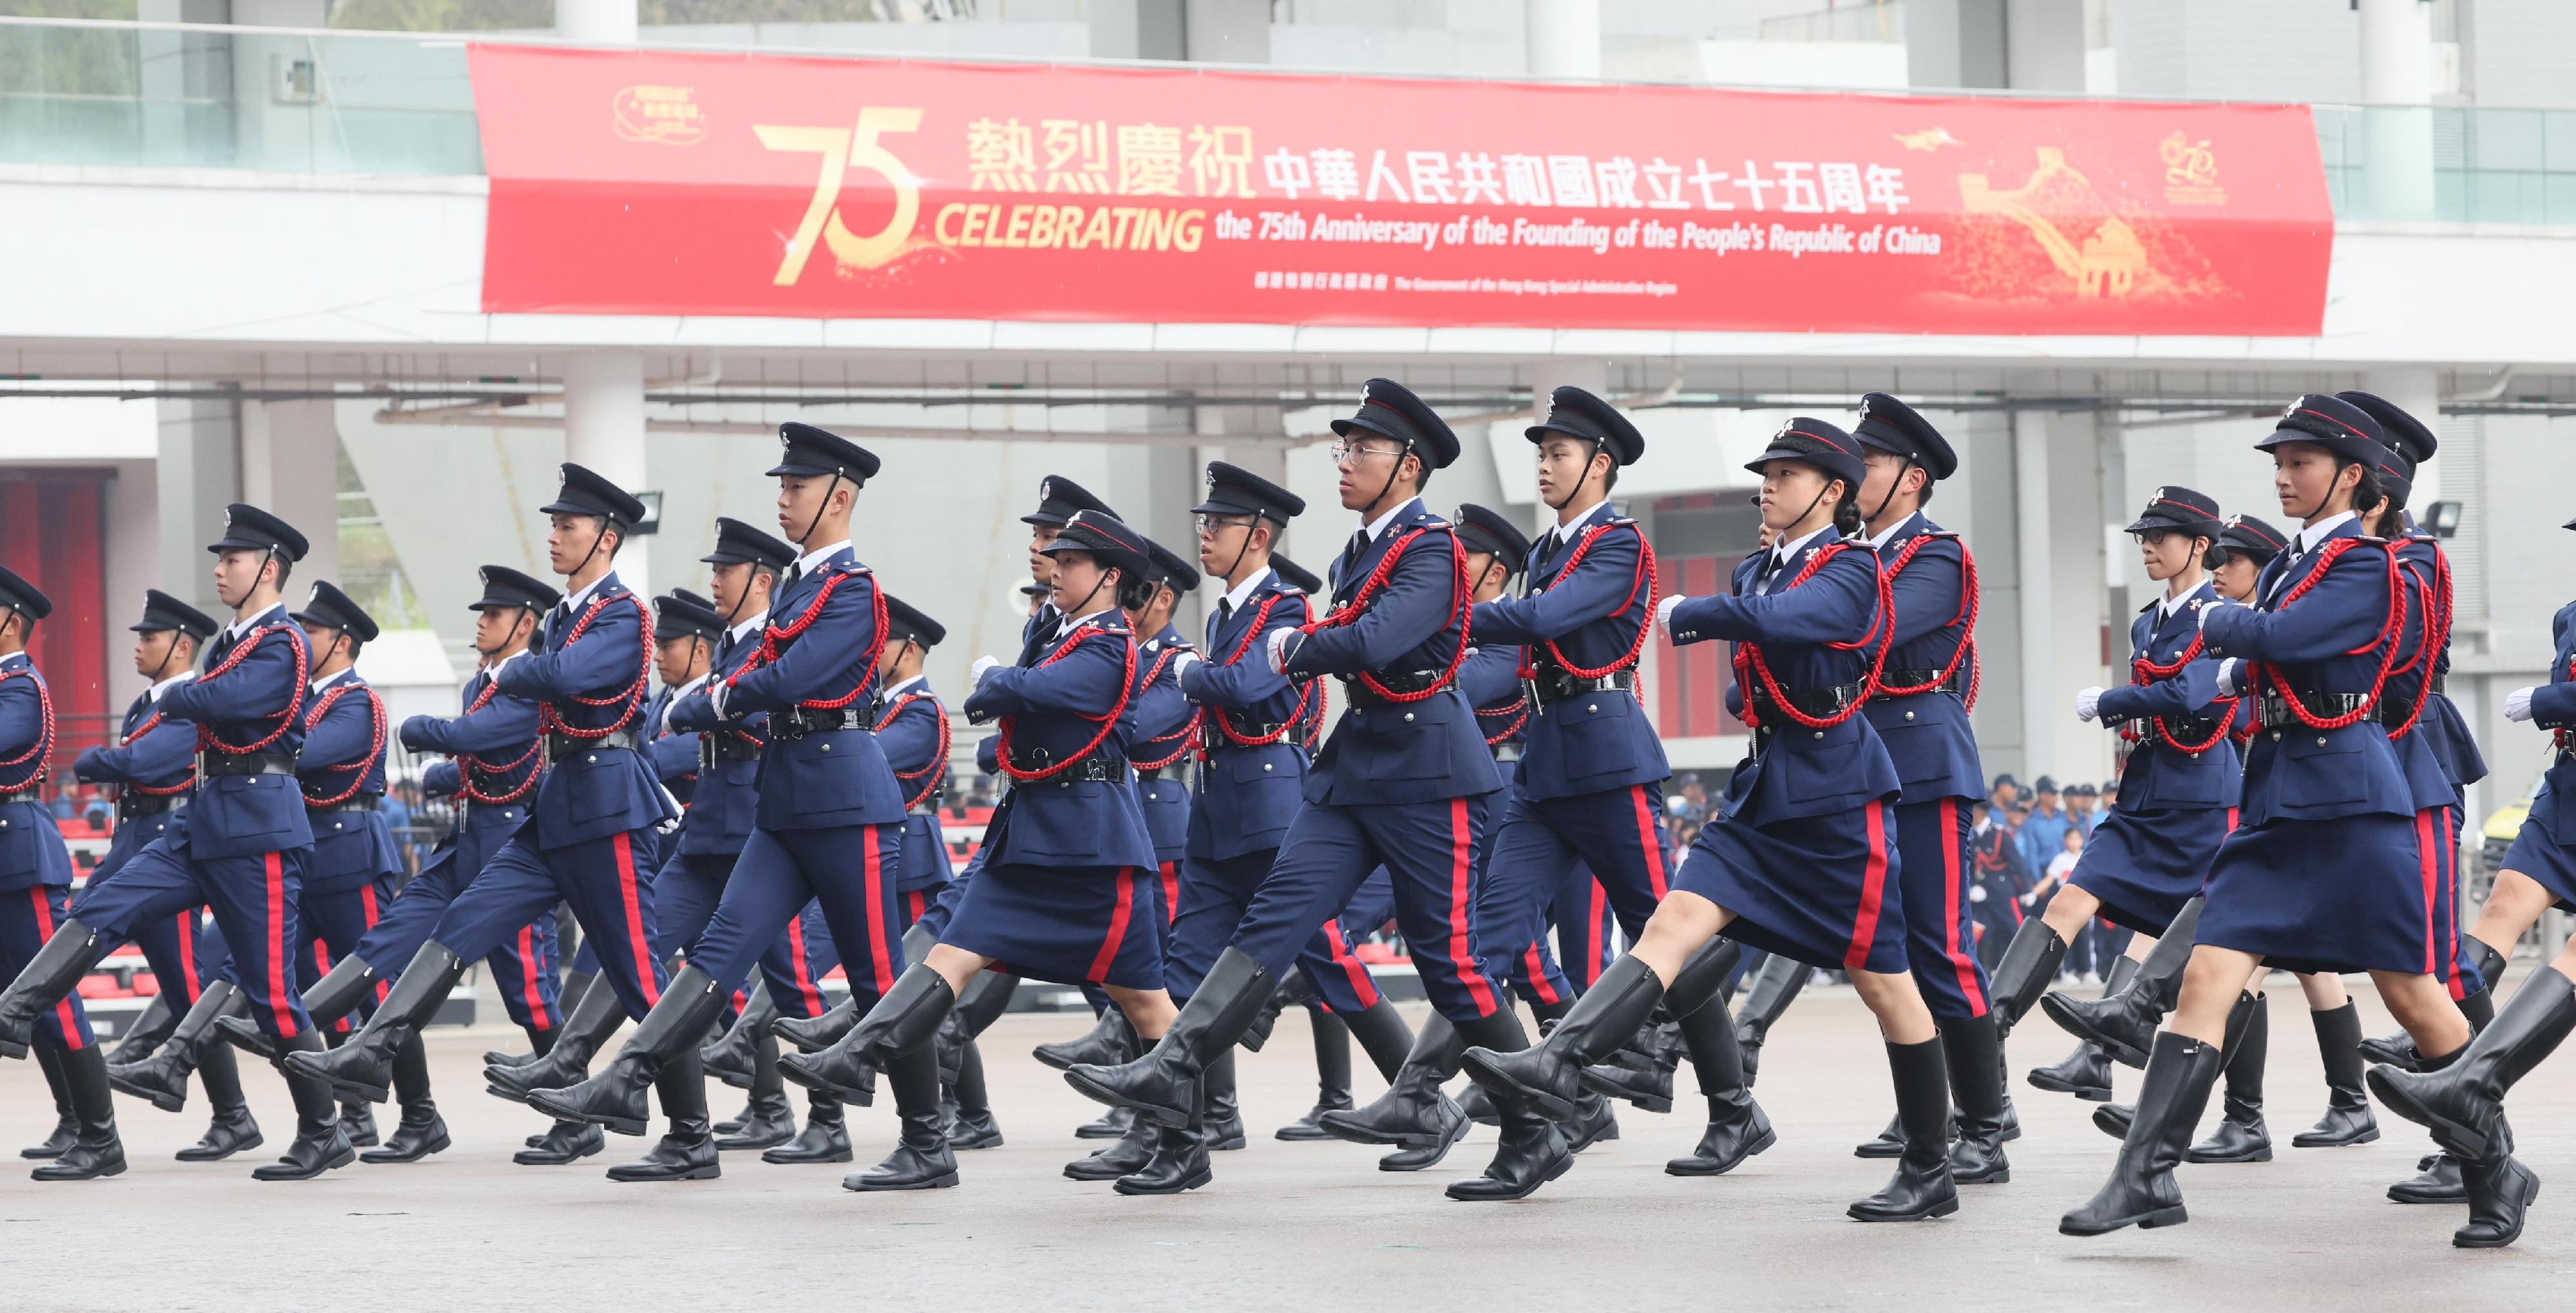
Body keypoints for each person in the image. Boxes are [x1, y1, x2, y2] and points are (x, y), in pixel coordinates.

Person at [1461, 417, 1963, 1220]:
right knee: (1674, 921)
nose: (1769, 484)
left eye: (1789, 474)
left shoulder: (1852, 565)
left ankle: (1931, 1166)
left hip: (1837, 797)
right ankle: (1562, 1061)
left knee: (1885, 983)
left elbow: (1798, 622)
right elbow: (1753, 678)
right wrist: (1738, 641)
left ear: (1832, 492)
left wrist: (1707, 612)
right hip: (1764, 787)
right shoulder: (1759, 567)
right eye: (1767, 472)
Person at [1064, 380, 1539, 1201]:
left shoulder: (1429, 547)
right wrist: (1312, 639)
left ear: (1409, 464)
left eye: (1362, 449)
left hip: (1427, 767)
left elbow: (1377, 637)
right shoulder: (1358, 549)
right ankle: (1173, 1066)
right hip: (1359, 763)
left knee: (1449, 959)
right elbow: (1349, 634)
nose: (1346, 462)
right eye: (1343, 448)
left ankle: (1536, 1125)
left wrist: (1289, 645)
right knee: (1275, 914)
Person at [2060, 395, 2487, 1242]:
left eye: (2301, 463)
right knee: (2205, 976)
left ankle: (2494, 1164)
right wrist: (2227, 670)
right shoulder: (2297, 562)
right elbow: (2270, 654)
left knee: (2414, 994)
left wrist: (2221, 625)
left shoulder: (2366, 562)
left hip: (2351, 800)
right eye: (2280, 463)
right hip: (2281, 796)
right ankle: (2143, 1174)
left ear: (2351, 474)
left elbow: (2293, 636)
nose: (2285, 476)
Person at [507, 432, 917, 1186]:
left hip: (846, 798)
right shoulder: (797, 586)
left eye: (798, 486)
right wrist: (714, 695)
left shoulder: (855, 589)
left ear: (842, 496)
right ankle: (627, 1076)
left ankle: (927, 1136)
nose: (784, 497)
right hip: (787, 801)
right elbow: (769, 664)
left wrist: (717, 696)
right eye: (785, 485)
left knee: (877, 977)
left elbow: (795, 673)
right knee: (714, 951)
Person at [285, 466, 681, 1181]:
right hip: (557, 803)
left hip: (609, 805)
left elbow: (559, 679)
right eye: (554, 525)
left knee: (638, 975)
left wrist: (520, 673)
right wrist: (530, 671)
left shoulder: (623, 613)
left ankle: (691, 1130)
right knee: (463, 919)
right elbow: (544, 680)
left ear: (608, 537)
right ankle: (374, 1045)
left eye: (569, 526)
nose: (555, 536)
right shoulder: (563, 620)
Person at [790, 509, 1177, 1193]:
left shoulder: (1110, 642)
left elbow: (1031, 692)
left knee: (1144, 1003)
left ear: (1111, 577)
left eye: (1072, 562)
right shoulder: (1059, 631)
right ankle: (890, 1097)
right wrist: (1006, 684)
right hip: (1033, 838)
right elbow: (1014, 709)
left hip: (1092, 852)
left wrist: (1000, 677)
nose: (1055, 571)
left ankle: (1183, 1141)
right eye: (1055, 560)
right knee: (949, 953)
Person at [0, 507, 355, 1180]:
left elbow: (226, 699)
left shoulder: (283, 642)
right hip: (204, 819)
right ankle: (18, 1008)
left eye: (233, 560)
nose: (219, 570)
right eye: (220, 559)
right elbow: (206, 706)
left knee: (273, 993)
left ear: (270, 568)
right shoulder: (231, 642)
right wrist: (194, 698)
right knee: (104, 903)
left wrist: (188, 694)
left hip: (260, 831)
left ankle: (323, 1128)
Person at [236, 564, 583, 1164]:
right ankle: (310, 1024)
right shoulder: (484, 680)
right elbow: (485, 752)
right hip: (469, 836)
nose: (481, 622)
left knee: (527, 986)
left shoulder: (527, 683)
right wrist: (455, 768)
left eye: (493, 615)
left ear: (525, 625)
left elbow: (484, 734)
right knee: (393, 934)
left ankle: (573, 1113)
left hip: (512, 844)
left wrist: (438, 739)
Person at [1996, 489, 2237, 1136]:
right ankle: (1989, 1028)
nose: (2149, 548)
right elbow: (2157, 701)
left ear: (2199, 544)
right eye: (2144, 537)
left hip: (2201, 801)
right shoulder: (2145, 623)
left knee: (2221, 967)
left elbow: (2191, 695)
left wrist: (2110, 699)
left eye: (2163, 536)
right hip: (2143, 796)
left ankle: (2242, 1112)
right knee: (2067, 902)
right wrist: (2127, 708)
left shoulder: (2222, 616)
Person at [64, 590, 256, 1163]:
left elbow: (143, 763)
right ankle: (77, 1116)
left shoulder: (186, 705)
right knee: (66, 953)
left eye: (149, 637)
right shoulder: (149, 702)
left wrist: (96, 760)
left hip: (164, 849)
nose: (139, 646)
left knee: (186, 989)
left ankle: (234, 1115)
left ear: (182, 646)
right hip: (132, 845)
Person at [0, 567, 122, 1181]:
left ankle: (102, 1136)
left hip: (20, 855)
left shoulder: (21, 687)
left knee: (53, 996)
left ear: (11, 620)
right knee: (22, 1002)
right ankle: (74, 1119)